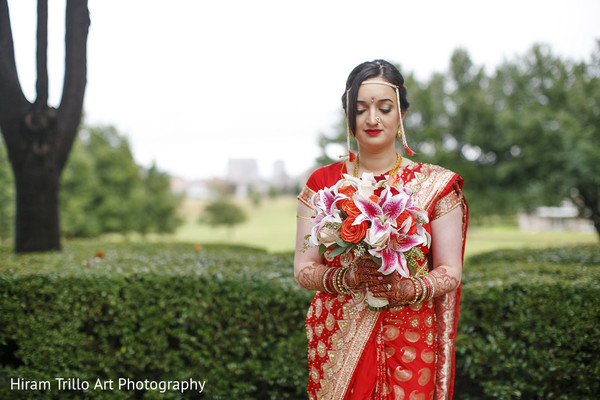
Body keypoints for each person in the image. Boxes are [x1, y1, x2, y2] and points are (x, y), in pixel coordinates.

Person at [294, 59, 468, 400]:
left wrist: (405, 288)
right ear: (348, 117)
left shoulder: (436, 185)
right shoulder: (322, 184)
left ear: (401, 114)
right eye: (360, 109)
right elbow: (303, 270)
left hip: (409, 339)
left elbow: (450, 271)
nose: (372, 119)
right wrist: (348, 278)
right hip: (338, 336)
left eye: (384, 108)